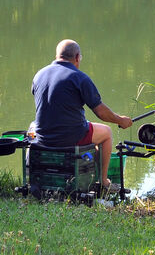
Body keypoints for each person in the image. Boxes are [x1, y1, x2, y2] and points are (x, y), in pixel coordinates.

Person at [31, 39, 132, 194]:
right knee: (106, 133)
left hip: (42, 137)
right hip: (70, 137)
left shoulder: (39, 74)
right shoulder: (79, 78)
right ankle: (104, 181)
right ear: (77, 57)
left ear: (57, 55)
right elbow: (101, 112)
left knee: (32, 125)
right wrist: (121, 120)